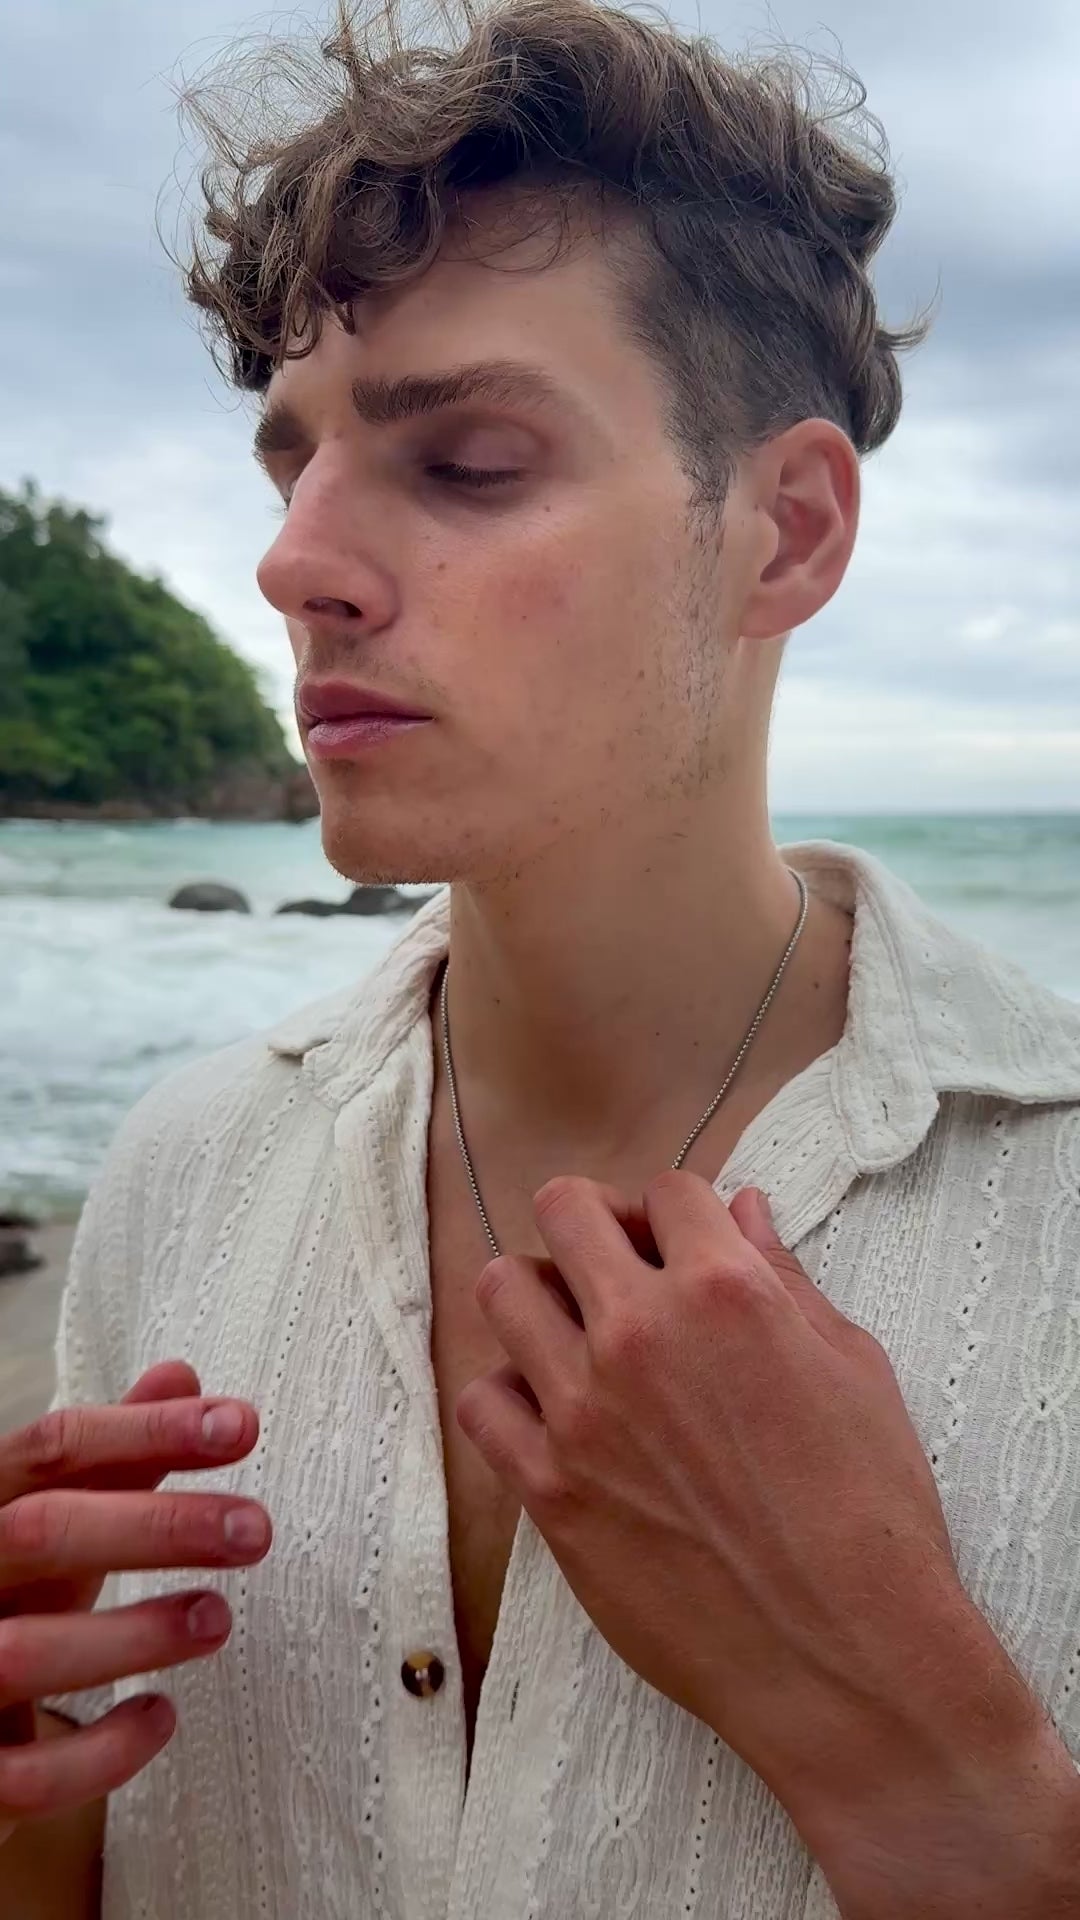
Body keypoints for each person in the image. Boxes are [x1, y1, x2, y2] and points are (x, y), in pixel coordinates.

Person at [3, 0, 1080, 1913]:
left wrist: (915, 1740)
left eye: (470, 462)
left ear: (785, 531)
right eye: (292, 464)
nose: (295, 560)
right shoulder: (177, 1181)